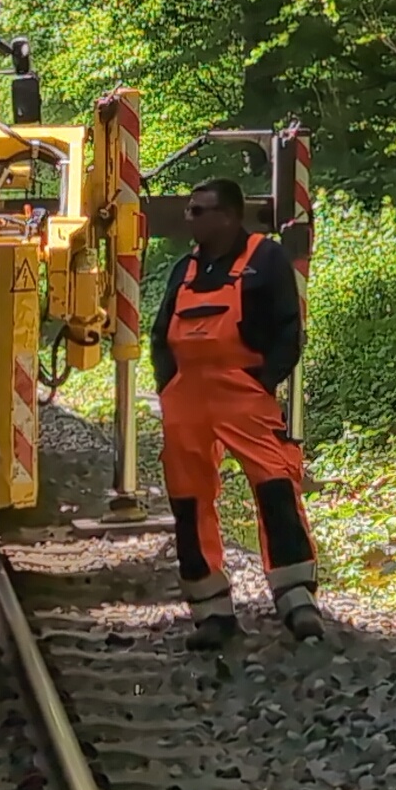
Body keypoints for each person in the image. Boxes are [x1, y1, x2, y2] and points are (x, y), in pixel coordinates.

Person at [153, 178, 320, 645]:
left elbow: (289, 330)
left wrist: (261, 382)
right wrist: (169, 386)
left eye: (198, 211)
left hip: (243, 391)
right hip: (187, 397)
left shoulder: (264, 259)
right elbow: (160, 332)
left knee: (274, 484)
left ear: (228, 216)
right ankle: (211, 610)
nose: (189, 218)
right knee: (188, 498)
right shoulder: (184, 268)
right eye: (189, 210)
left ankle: (296, 598)